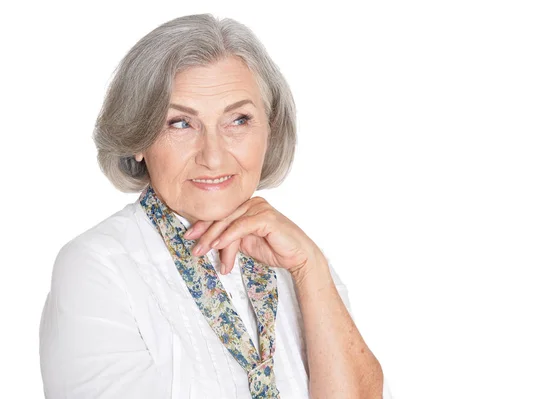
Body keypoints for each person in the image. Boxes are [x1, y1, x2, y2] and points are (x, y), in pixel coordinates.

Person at [39, 13, 394, 399]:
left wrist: (311, 268)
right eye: (180, 124)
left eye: (238, 120)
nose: (213, 155)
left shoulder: (297, 261)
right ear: (137, 138)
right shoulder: (97, 267)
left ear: (270, 130)